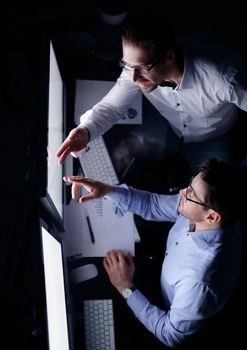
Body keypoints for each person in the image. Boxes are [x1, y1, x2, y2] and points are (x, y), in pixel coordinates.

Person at [63, 158, 243, 348]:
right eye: (189, 184)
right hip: (165, 277)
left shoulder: (199, 283)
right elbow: (152, 205)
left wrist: (124, 286)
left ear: (212, 216)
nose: (182, 192)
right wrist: (108, 190)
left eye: (190, 194)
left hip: (169, 313)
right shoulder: (206, 213)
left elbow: (169, 334)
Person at [57, 13, 247, 174]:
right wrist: (85, 131)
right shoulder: (137, 67)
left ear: (169, 57)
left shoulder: (226, 78)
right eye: (127, 65)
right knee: (118, 161)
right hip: (167, 127)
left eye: (141, 68)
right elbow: (112, 107)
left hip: (215, 139)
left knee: (215, 198)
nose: (133, 78)